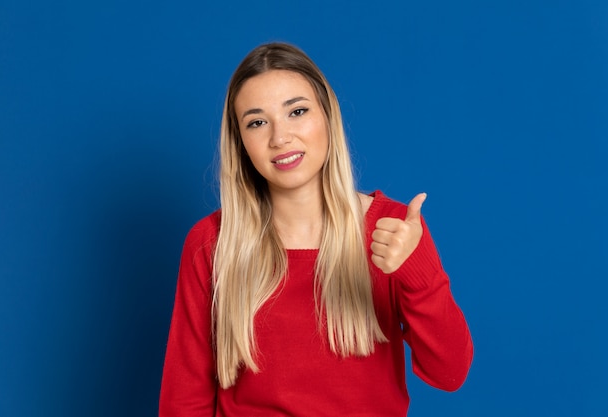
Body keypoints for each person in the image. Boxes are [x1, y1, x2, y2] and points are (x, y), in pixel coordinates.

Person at [159, 42, 473, 417]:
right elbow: (184, 400)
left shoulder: (393, 231)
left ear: (327, 115)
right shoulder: (211, 244)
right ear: (240, 143)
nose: (280, 137)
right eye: (257, 122)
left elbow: (450, 373)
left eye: (297, 111)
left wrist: (415, 274)